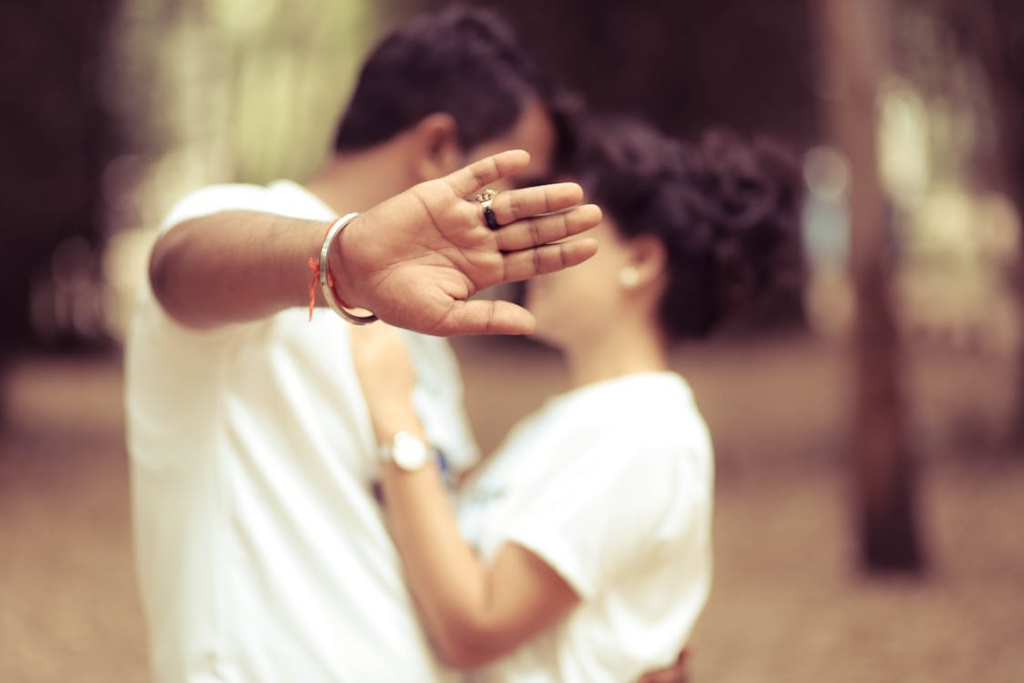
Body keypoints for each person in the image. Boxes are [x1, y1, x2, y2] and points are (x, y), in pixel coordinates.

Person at [124, 7, 601, 683]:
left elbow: (451, 587)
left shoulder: (425, 327)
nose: (527, 213)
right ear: (439, 149)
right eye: (521, 184)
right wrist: (340, 257)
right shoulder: (247, 224)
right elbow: (178, 266)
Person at [351, 117, 803, 681]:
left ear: (639, 261)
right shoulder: (576, 421)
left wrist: (397, 417)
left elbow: (477, 626)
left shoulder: (646, 432)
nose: (535, 242)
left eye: (563, 224)